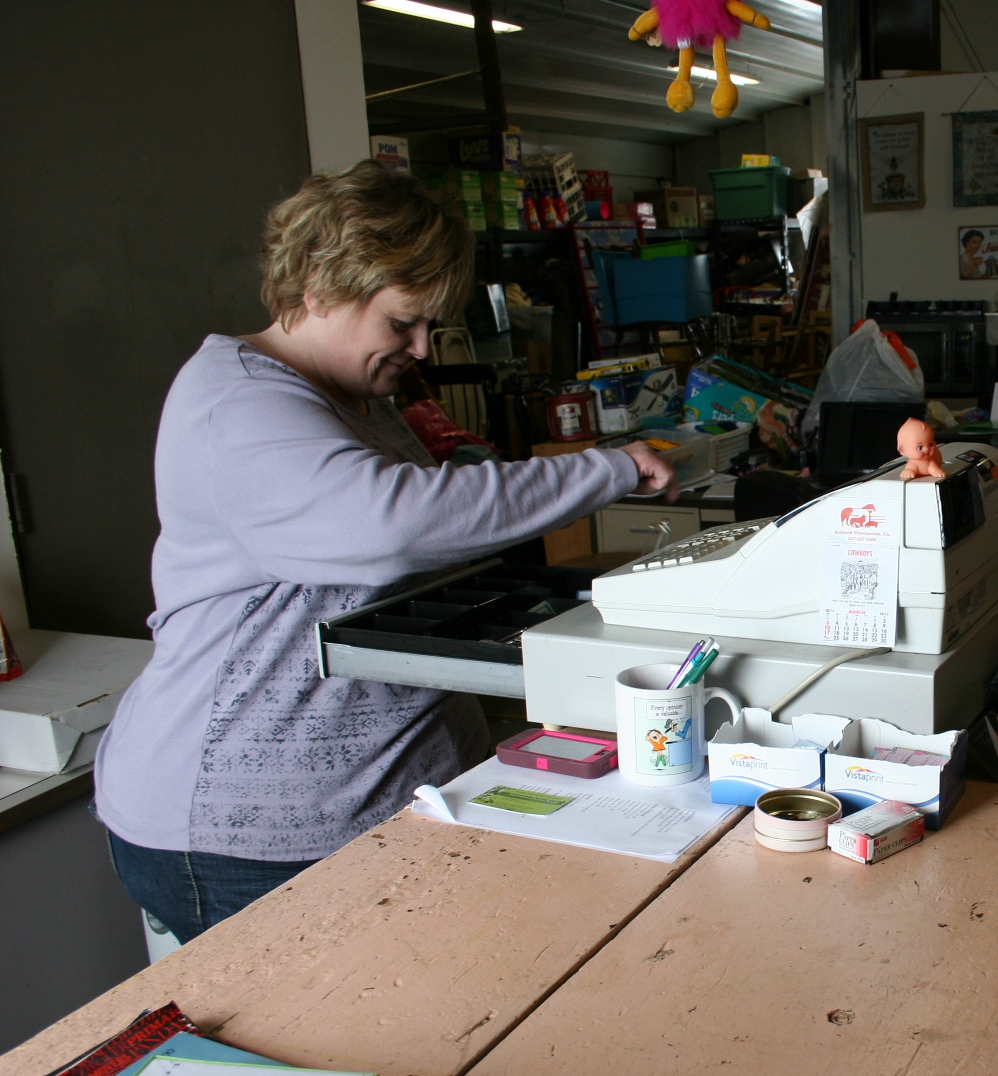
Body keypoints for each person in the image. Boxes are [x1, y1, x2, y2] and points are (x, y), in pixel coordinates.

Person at [96, 161, 677, 943]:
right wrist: (607, 468)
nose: (422, 346)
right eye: (402, 321)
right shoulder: (238, 404)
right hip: (246, 833)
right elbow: (390, 528)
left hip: (374, 802)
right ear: (319, 287)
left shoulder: (354, 399)